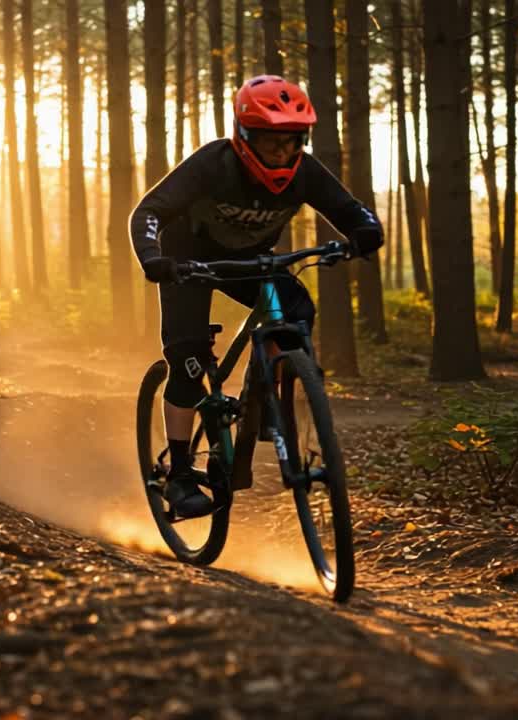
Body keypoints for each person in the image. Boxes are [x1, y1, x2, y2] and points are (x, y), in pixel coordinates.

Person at [129, 75, 384, 518]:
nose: (283, 153)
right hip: (188, 261)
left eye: (292, 142)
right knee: (188, 363)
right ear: (244, 136)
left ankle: (270, 392)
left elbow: (350, 209)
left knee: (298, 308)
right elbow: (148, 211)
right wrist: (153, 258)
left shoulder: (304, 171)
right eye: (272, 143)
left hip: (250, 260)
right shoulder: (214, 163)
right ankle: (181, 475)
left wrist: (365, 232)